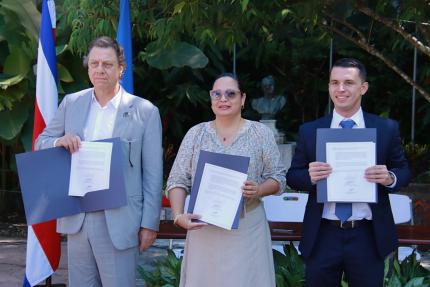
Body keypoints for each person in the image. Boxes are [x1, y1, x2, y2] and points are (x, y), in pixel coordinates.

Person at [36, 36, 163, 287]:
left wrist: (149, 223)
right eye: (94, 63)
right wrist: (57, 142)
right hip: (78, 216)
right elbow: (42, 140)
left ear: (121, 69)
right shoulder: (71, 103)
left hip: (120, 219)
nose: (99, 69)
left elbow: (152, 173)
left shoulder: (145, 111)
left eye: (107, 64)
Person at [286, 58, 411, 287]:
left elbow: (404, 171)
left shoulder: (385, 129)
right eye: (334, 82)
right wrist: (309, 177)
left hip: (367, 233)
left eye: (348, 82)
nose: (340, 89)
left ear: (363, 87)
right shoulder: (311, 131)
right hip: (323, 233)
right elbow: (293, 176)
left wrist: (389, 177)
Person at [166, 73, 286, 287]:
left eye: (231, 93)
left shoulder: (260, 133)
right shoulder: (196, 134)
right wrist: (177, 216)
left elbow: (278, 178)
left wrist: (258, 190)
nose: (223, 99)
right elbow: (177, 180)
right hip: (203, 229)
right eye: (217, 93)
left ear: (243, 99)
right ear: (211, 98)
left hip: (246, 229)